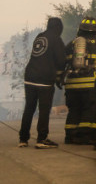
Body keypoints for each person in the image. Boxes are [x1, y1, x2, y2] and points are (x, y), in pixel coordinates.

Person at [18, 17, 67, 149]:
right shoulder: (56, 39)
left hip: (29, 77)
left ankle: (23, 139)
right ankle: (41, 139)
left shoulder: (40, 36)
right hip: (44, 80)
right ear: (58, 28)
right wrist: (59, 76)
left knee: (29, 108)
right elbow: (62, 61)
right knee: (44, 110)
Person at [63, 16, 96, 145]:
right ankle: (83, 136)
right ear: (95, 30)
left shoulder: (72, 43)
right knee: (88, 109)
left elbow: (62, 62)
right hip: (90, 84)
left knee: (74, 110)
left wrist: (59, 77)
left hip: (71, 85)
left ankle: (70, 137)